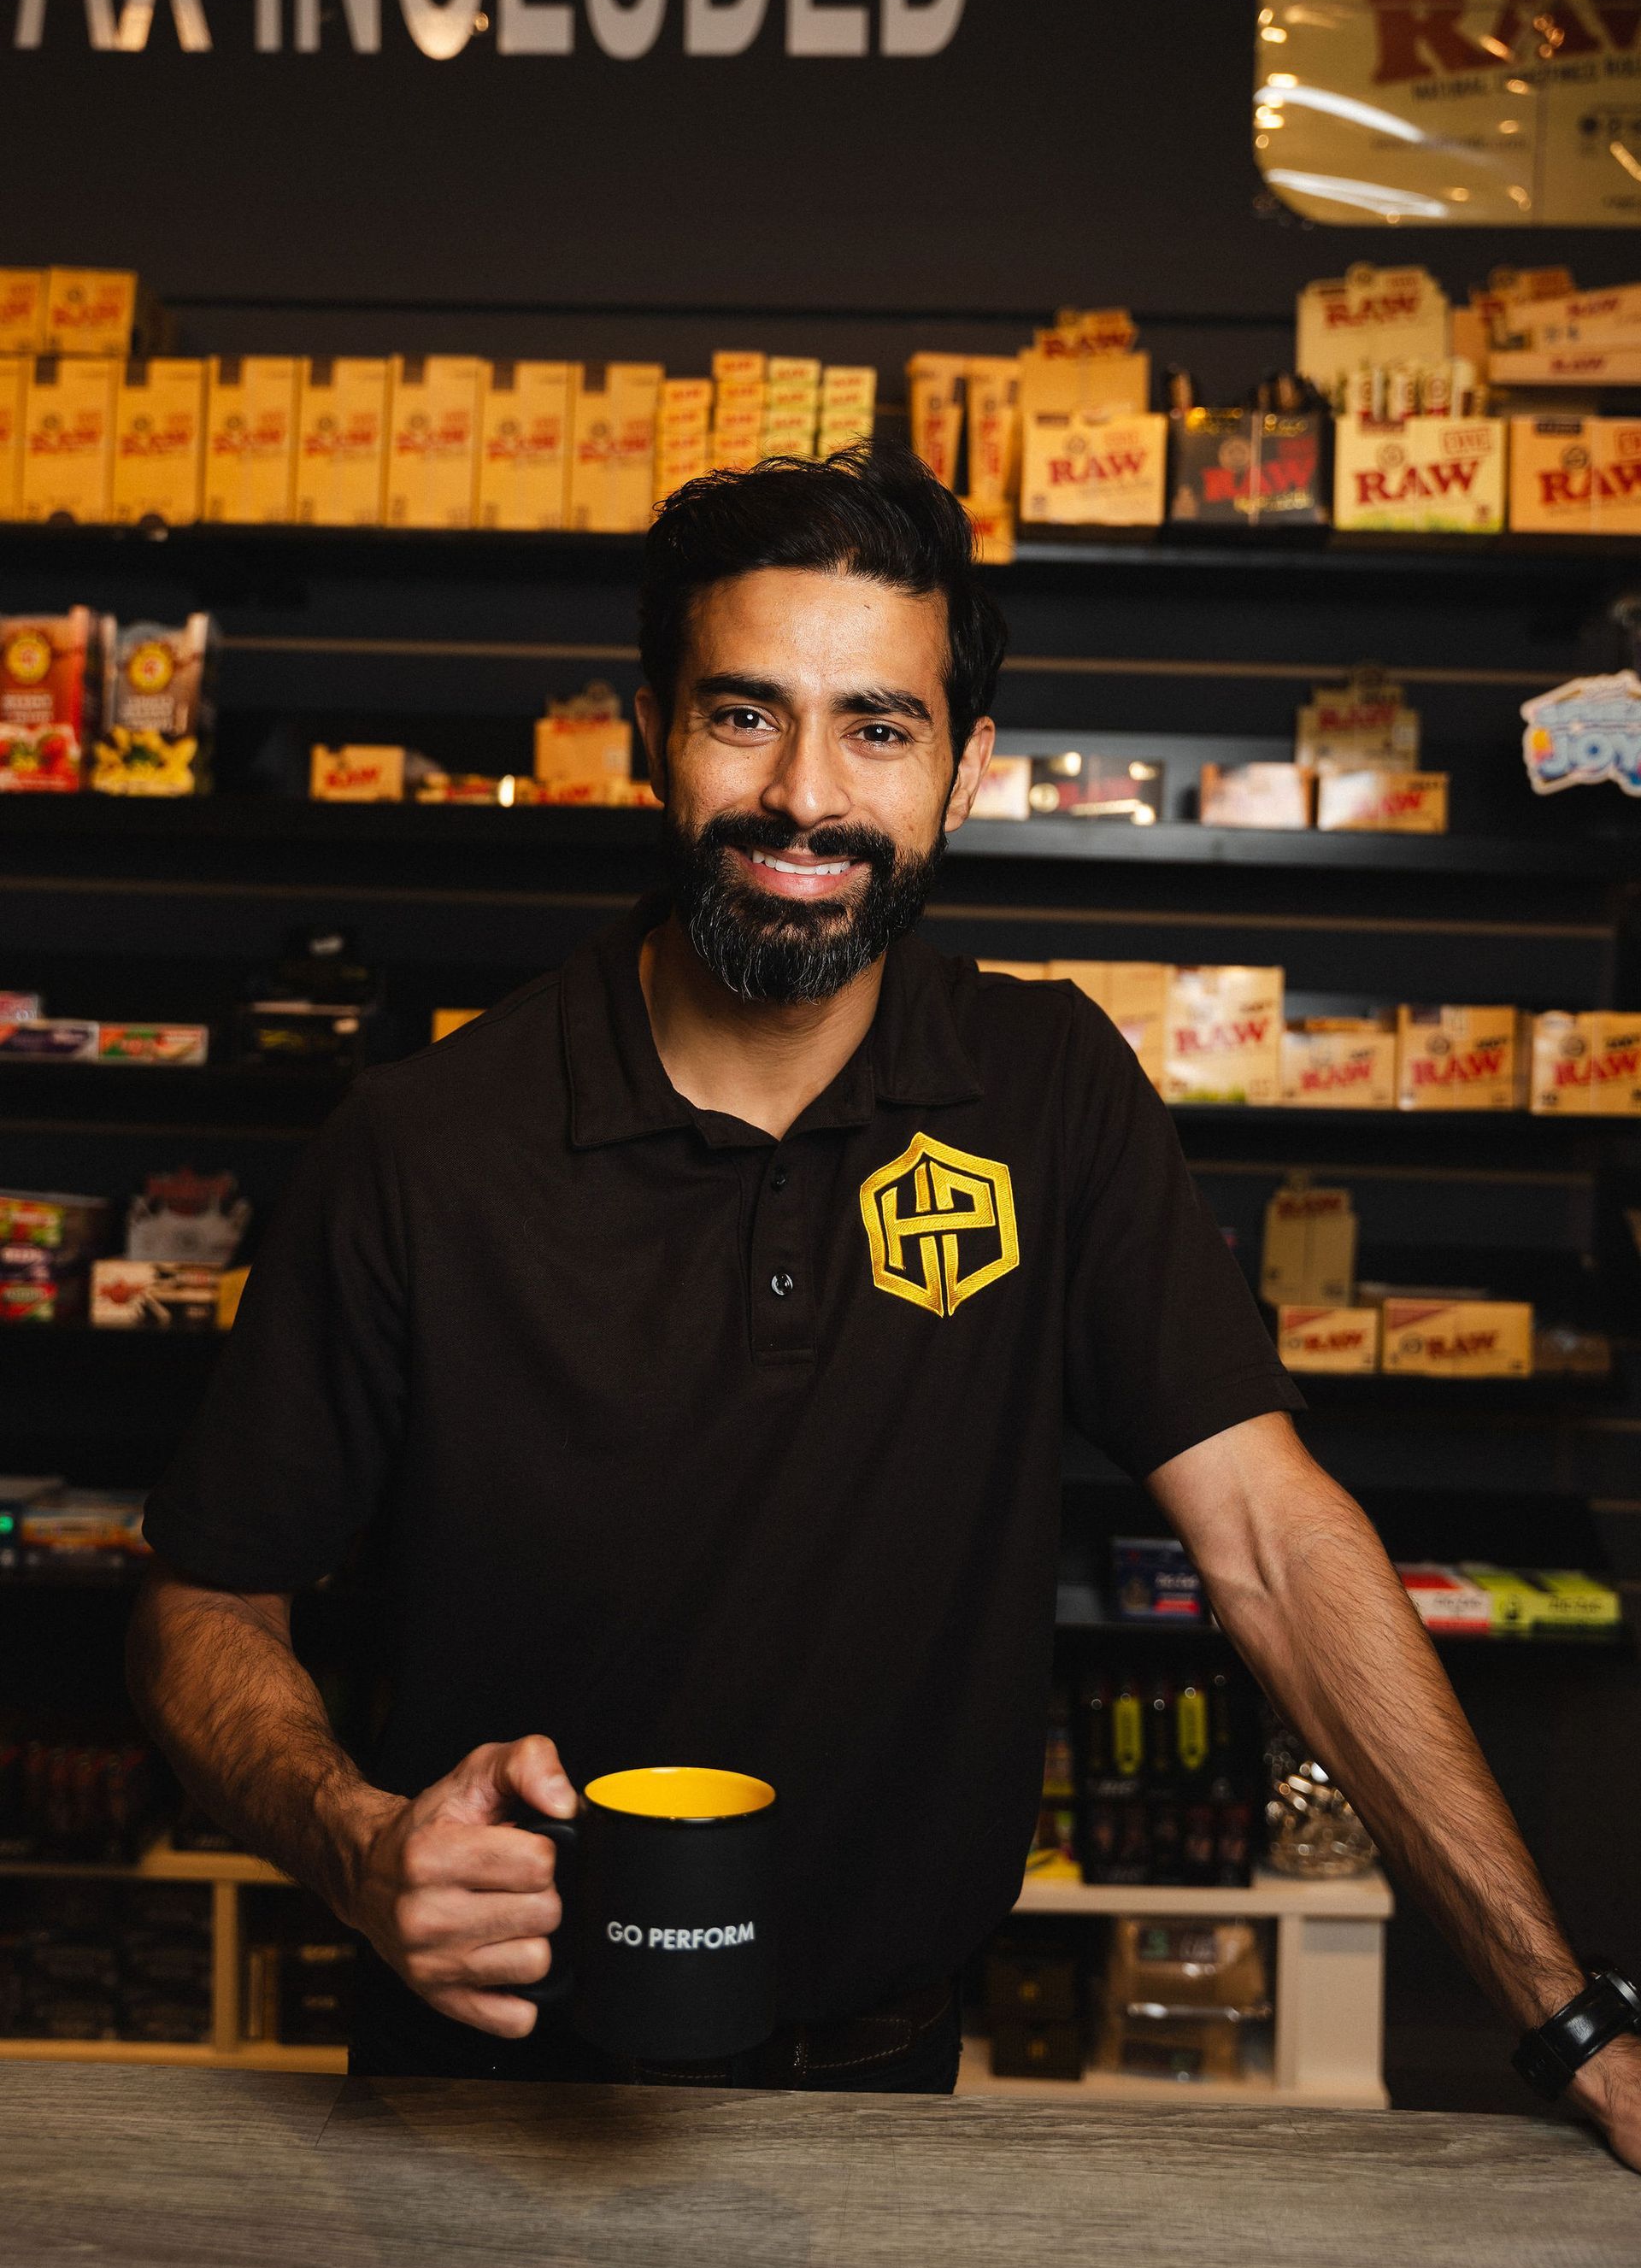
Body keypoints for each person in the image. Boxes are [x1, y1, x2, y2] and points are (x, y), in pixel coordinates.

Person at [129, 448, 1640, 2147]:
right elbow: (204, 1602)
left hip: (886, 2099)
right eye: (744, 714)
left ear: (965, 770)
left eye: (879, 727)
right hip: (477, 2087)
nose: (803, 794)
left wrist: (1564, 2011)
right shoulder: (426, 1141)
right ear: (651, 730)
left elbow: (1277, 1547)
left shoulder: (1048, 1090)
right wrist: (350, 1833)